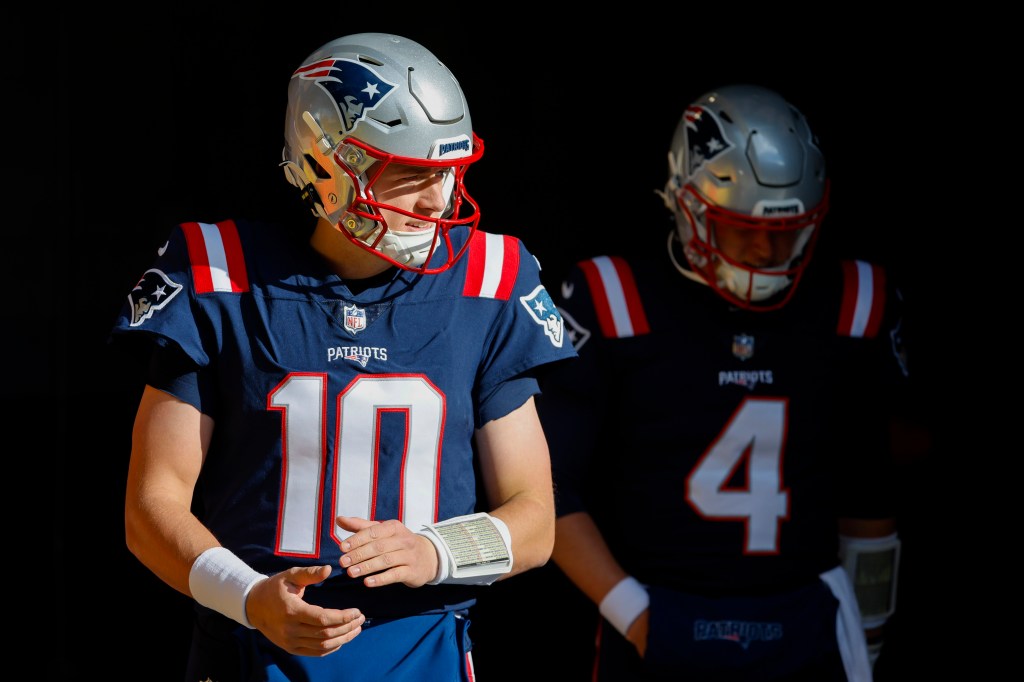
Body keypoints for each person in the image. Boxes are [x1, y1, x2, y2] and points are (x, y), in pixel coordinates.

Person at [109, 32, 576, 682]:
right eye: (410, 172)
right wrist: (247, 598)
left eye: (448, 172)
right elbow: (150, 505)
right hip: (252, 650)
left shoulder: (488, 281)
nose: (437, 200)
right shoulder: (219, 274)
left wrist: (433, 549)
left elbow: (535, 519)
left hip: (423, 653)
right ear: (326, 161)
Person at [538, 84, 907, 681]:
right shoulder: (615, 297)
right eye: (742, 228)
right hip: (659, 605)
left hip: (808, 609)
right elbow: (543, 483)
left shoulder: (853, 300)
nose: (767, 248)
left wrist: (866, 631)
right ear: (687, 205)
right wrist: (633, 613)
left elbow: (872, 484)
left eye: (788, 231)